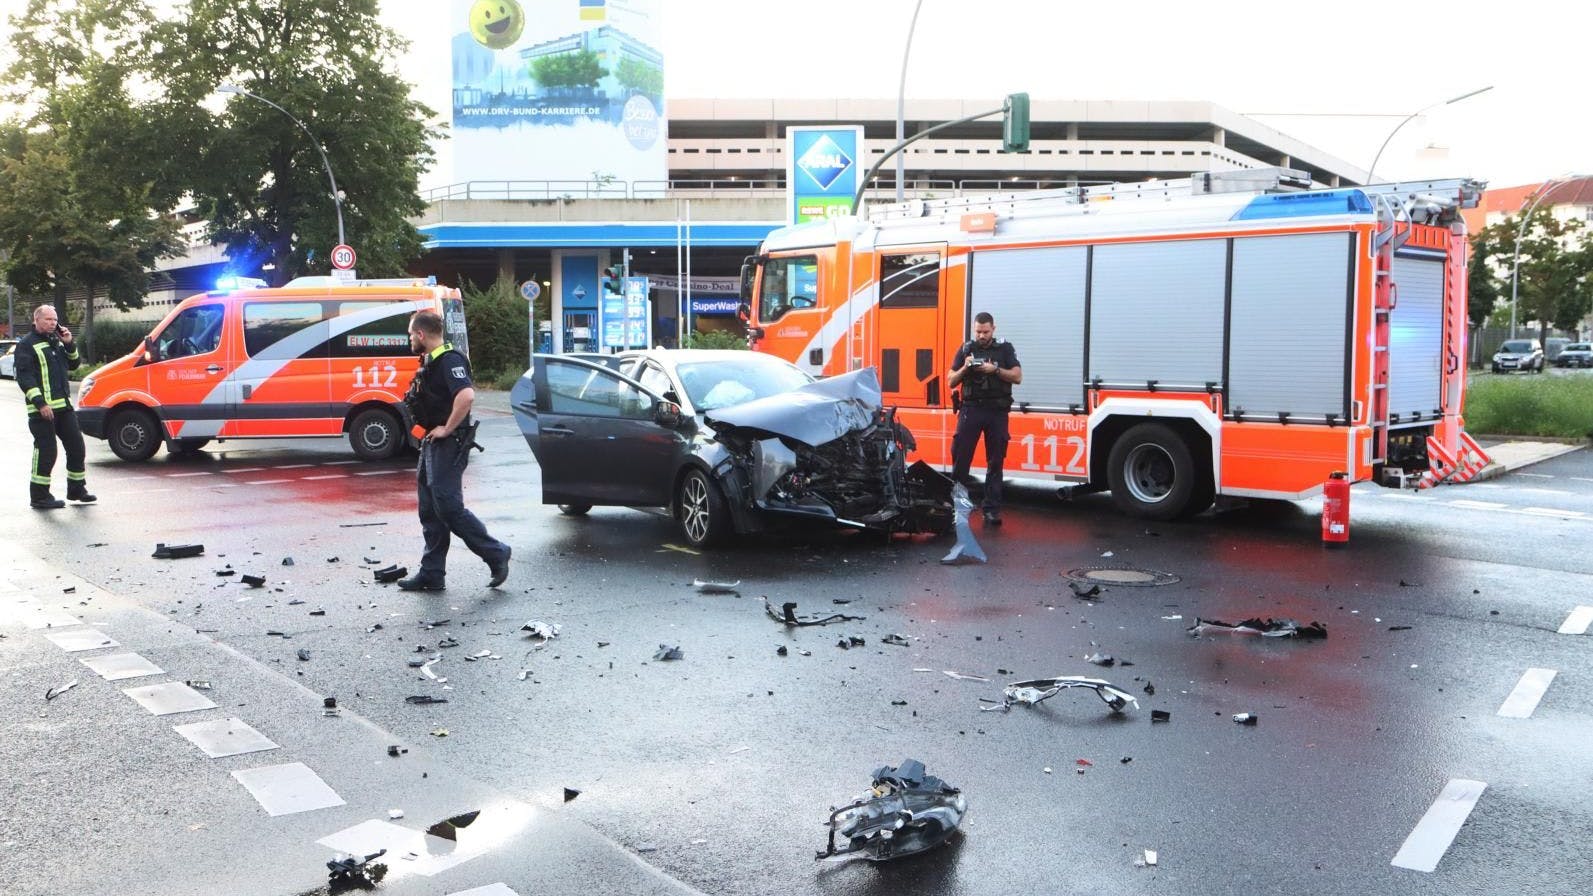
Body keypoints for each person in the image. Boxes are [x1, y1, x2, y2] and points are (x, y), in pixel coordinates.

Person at [397, 310, 510, 591]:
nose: (410, 338)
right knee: (430, 509)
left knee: (448, 506)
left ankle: (496, 552)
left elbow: (466, 395)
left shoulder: (450, 360)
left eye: (412, 334)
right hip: (433, 442)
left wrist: (447, 428)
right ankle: (432, 573)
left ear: (421, 334)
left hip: (450, 442)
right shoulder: (432, 362)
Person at [15, 305, 95, 510]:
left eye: (55, 319)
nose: (52, 323)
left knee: (77, 447)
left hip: (63, 408)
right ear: (37, 320)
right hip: (42, 410)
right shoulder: (26, 345)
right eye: (48, 319)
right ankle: (39, 497)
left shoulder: (56, 342)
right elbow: (25, 378)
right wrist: (40, 403)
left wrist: (69, 344)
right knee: (47, 452)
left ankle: (77, 489)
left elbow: (74, 365)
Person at [948, 312, 1021, 526]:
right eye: (978, 331)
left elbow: (1017, 376)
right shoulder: (966, 348)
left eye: (985, 332)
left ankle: (991, 510)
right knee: (961, 461)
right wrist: (965, 367)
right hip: (971, 410)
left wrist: (995, 369)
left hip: (996, 411)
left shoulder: (1004, 349)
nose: (981, 335)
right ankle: (959, 510)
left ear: (993, 329)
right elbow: (951, 380)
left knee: (995, 461)